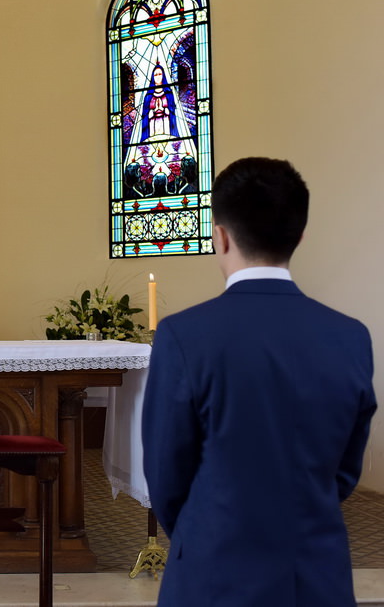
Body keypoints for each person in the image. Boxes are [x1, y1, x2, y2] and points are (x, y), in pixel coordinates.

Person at [142, 157, 376, 606]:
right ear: (299, 236)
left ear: (221, 236)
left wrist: (201, 531)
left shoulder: (184, 335)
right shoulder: (350, 337)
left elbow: (166, 472)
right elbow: (344, 469)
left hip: (214, 570)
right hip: (314, 572)